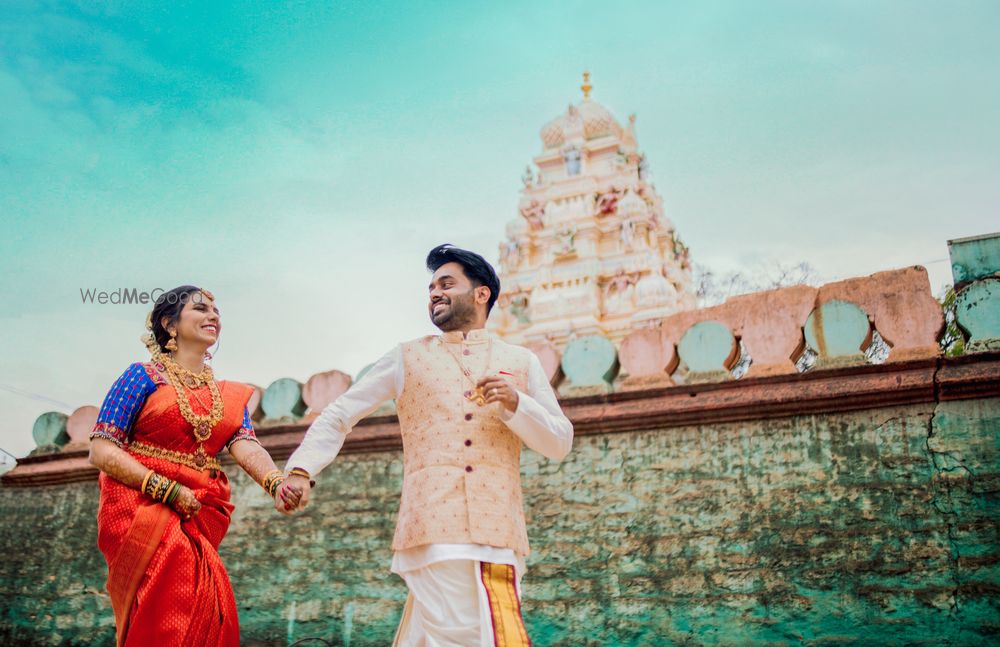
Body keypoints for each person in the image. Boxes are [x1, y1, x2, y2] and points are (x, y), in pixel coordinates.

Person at [279, 245, 574, 647]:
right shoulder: (407, 358)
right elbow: (338, 414)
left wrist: (516, 403)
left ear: (481, 293)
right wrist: (301, 469)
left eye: (446, 283)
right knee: (482, 637)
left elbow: (559, 441)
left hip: (499, 534)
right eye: (431, 286)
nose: (434, 292)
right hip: (432, 529)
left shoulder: (519, 362)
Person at [88, 286, 298, 646]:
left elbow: (245, 442)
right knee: (173, 589)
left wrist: (276, 482)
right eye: (200, 309)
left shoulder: (226, 395)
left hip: (196, 511)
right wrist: (166, 489)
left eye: (216, 310)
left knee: (215, 604)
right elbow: (102, 450)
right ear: (170, 324)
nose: (213, 316)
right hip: (142, 510)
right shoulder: (141, 377)